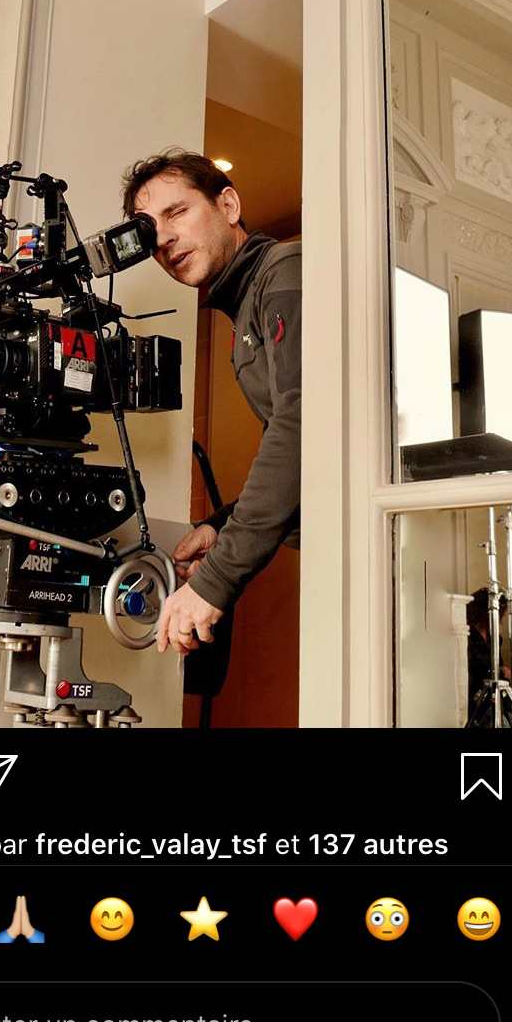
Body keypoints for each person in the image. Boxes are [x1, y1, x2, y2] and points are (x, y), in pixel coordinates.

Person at [121, 150, 301, 655]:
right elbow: (304, 456)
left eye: (177, 212)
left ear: (228, 205)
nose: (163, 239)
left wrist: (214, 581)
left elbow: (303, 426)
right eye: (150, 230)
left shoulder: (285, 272)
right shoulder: (244, 308)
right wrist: (219, 526)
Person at [466, 588, 510, 726]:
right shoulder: (467, 636)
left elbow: (498, 665)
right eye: (501, 615)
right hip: (472, 699)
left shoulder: (495, 639)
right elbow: (470, 668)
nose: (501, 621)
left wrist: (503, 670)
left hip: (492, 700)